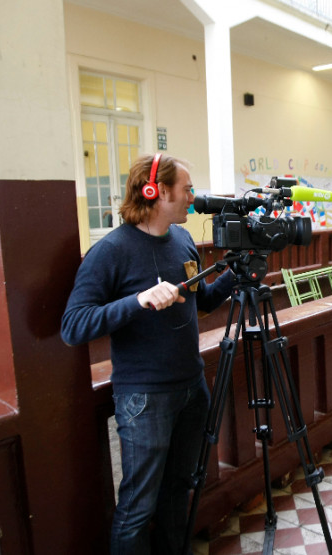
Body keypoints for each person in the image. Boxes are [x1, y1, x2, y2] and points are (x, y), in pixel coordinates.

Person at [61, 153, 236, 554]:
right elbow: (73, 326)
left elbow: (201, 299)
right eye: (187, 189)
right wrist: (137, 300)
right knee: (138, 507)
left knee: (178, 490)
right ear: (156, 192)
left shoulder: (182, 239)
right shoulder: (110, 251)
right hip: (145, 398)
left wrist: (234, 274)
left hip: (191, 388)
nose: (194, 197)